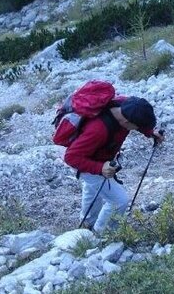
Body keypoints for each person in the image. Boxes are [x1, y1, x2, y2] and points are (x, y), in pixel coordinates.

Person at [64, 96, 164, 232]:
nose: (137, 129)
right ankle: (103, 234)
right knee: (120, 200)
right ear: (127, 122)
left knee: (92, 189)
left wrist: (150, 132)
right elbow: (71, 157)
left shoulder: (125, 105)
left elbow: (135, 120)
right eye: (137, 127)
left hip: (99, 158)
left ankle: (88, 223)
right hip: (88, 162)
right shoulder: (98, 130)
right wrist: (100, 168)